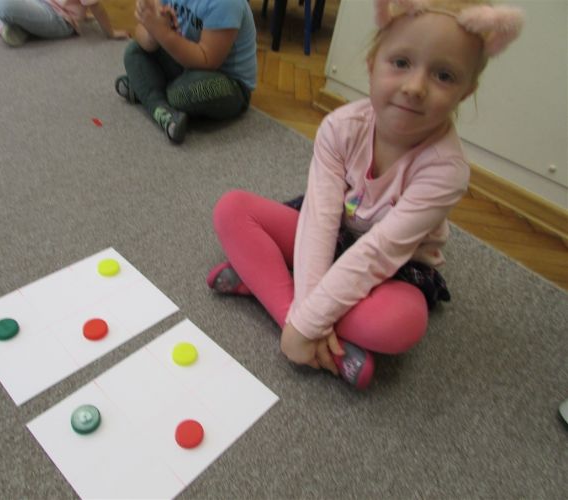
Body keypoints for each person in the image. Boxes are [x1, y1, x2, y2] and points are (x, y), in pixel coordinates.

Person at [207, 0, 524, 389]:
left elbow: (379, 253)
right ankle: (309, 329)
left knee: (400, 324)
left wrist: (306, 325)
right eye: (401, 63)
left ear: (465, 92)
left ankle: (267, 289)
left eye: (444, 75)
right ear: (373, 64)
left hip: (395, 263)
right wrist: (303, 324)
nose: (415, 87)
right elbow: (320, 221)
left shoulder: (446, 171)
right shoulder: (340, 126)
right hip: (333, 230)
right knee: (232, 209)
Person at [115, 0, 257, 144]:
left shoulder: (227, 3)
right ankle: (160, 108)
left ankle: (147, 89)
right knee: (134, 51)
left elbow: (207, 60)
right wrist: (152, 32)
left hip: (229, 84)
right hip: (185, 66)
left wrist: (162, 32)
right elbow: (142, 33)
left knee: (188, 92)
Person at [0, 0, 128, 47]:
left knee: (3, 5)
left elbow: (96, 6)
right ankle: (5, 26)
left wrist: (111, 33)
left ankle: (6, 24)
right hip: (36, 4)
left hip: (59, 19)